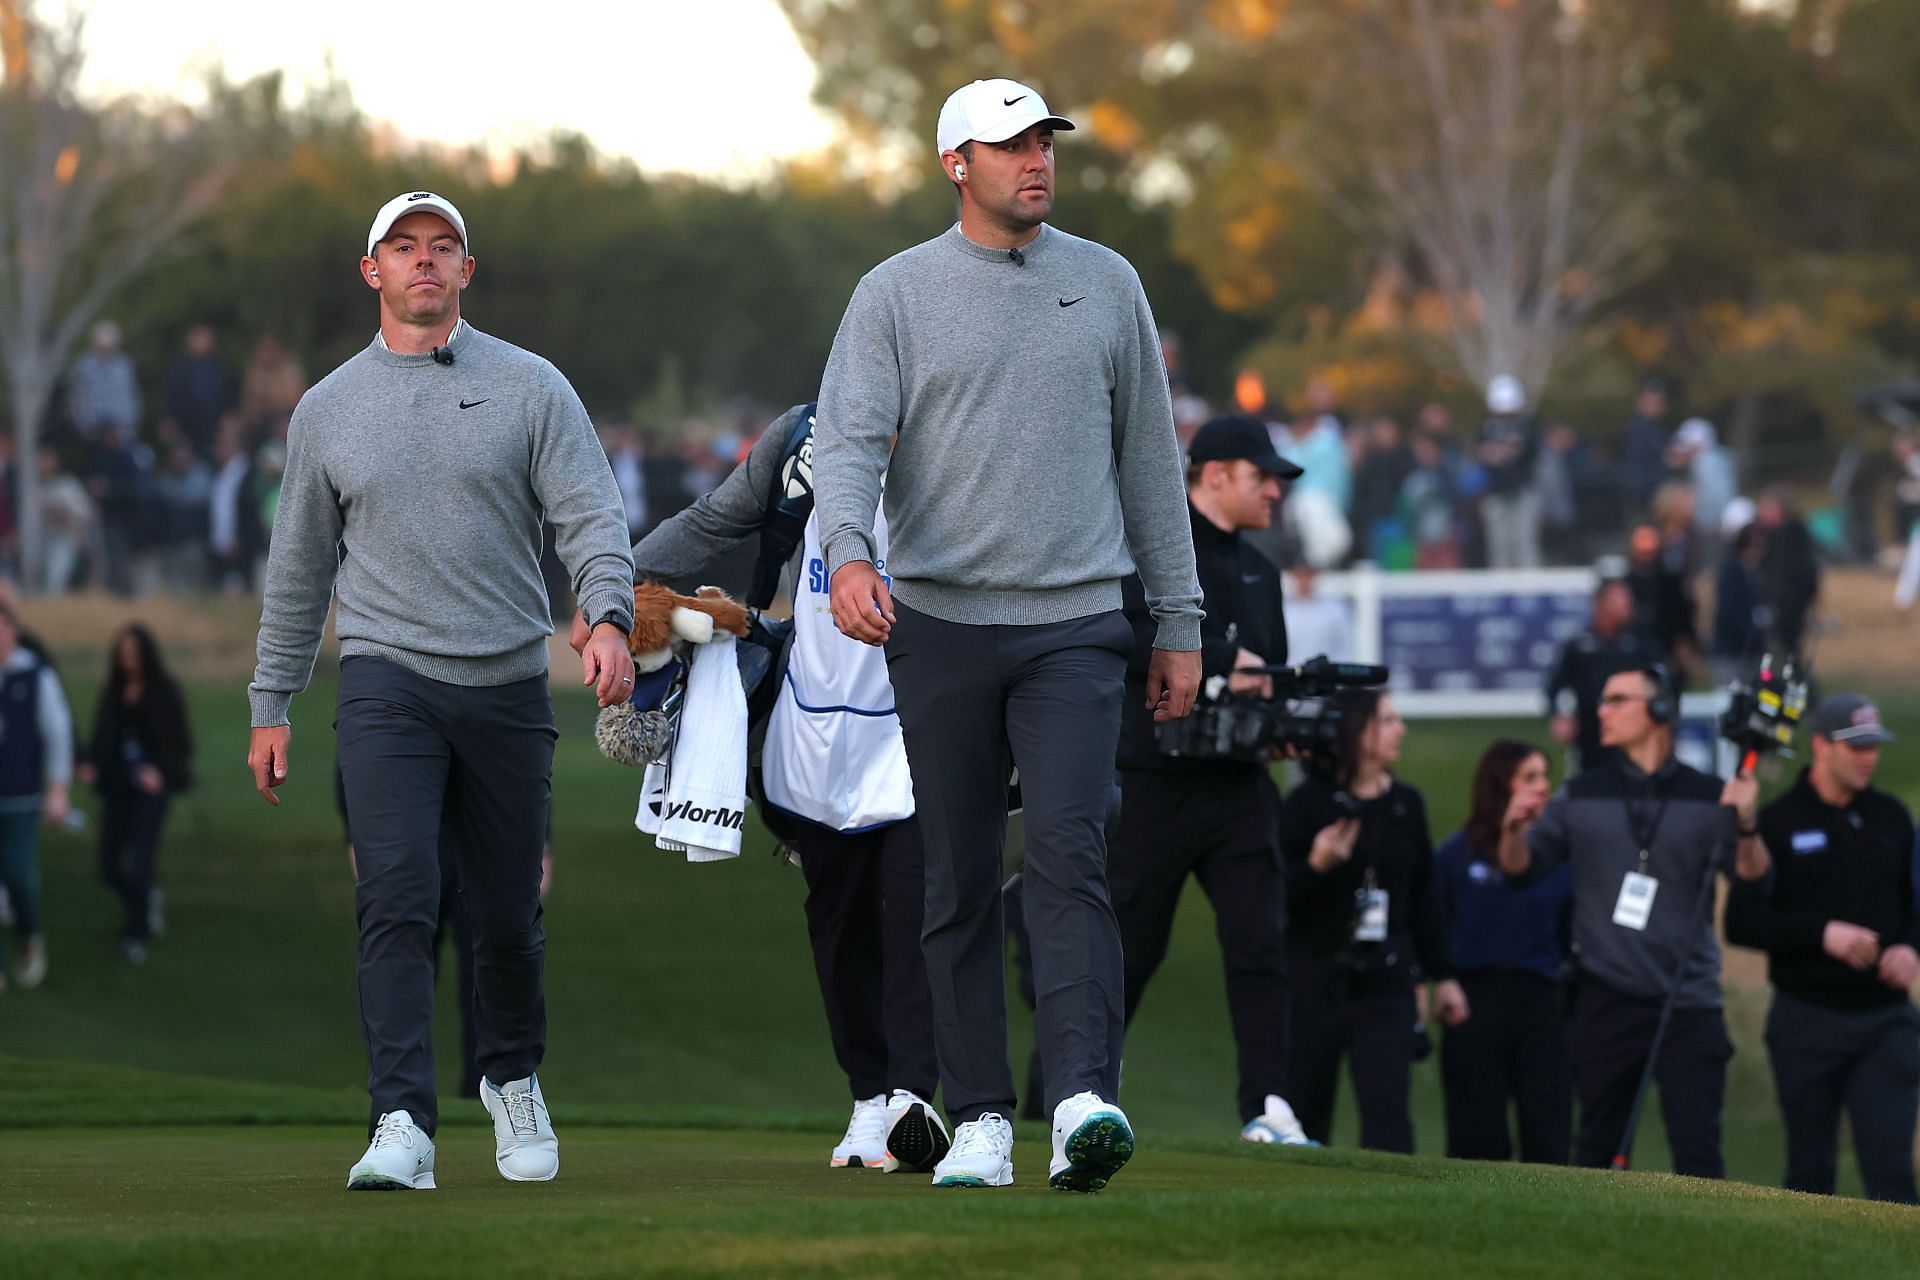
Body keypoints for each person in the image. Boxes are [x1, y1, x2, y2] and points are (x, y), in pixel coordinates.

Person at [813, 78, 1204, 1193]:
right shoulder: (894, 293)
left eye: (1043, 141)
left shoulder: (1108, 282)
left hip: (1079, 622)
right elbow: (846, 442)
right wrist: (846, 550)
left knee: (1074, 854)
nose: (1035, 159)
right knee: (958, 872)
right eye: (1009, 143)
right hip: (937, 622)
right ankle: (980, 1114)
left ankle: (1082, 1095)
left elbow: (1150, 465)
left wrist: (1176, 619)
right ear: (956, 164)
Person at [246, 190, 637, 1191]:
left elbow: (592, 518)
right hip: (386, 682)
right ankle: (401, 1121)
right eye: (404, 248)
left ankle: (511, 1079)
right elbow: (298, 569)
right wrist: (271, 699)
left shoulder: (531, 386)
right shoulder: (329, 407)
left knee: (505, 911)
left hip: (507, 681)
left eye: (442, 248)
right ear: (371, 270)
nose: (424, 263)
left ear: (467, 270)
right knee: (399, 894)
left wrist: (605, 616)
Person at [581, 403, 949, 1176]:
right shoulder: (799, 439)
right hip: (813, 729)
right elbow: (714, 520)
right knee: (839, 921)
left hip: (921, 723)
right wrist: (608, 598)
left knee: (917, 911)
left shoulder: (955, 433)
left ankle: (917, 1095)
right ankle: (868, 1099)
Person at [1110, 414, 1314, 1147]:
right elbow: (1126, 635)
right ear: (1217, 473)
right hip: (1154, 777)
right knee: (1127, 950)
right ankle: (1068, 1096)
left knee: (1260, 946)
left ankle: (1269, 1107)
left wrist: (1282, 721)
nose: (1275, 495)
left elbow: (1274, 669)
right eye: (1264, 479)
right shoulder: (1154, 543)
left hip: (1238, 785)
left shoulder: (1261, 568)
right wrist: (1227, 661)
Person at [1499, 665, 1769, 1177]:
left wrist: (1748, 822)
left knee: (1699, 1157)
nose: (1600, 710)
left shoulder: (1712, 795)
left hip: (1688, 1004)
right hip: (1606, 998)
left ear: (1661, 710)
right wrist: (1511, 831)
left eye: (1616, 699)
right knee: (1595, 1153)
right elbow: (1521, 871)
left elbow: (1754, 880)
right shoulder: (1580, 794)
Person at [1725, 696, 1920, 1204]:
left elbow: (1914, 904)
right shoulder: (1778, 822)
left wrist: (1910, 950)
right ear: (1819, 746)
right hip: (1806, 1021)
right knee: (1811, 1171)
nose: (1868, 757)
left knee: (1892, 1171)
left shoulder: (1892, 817)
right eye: (1855, 746)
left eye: (1873, 746)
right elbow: (1743, 922)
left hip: (1886, 1021)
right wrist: (1823, 934)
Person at [1278, 691, 1457, 1152]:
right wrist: (1316, 865)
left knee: (1387, 1108)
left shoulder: (1406, 804)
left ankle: (1391, 1204)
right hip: (1315, 976)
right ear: (1356, 731)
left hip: (1386, 978)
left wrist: (1440, 976)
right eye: (1388, 720)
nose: (1401, 729)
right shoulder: (1305, 804)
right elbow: (1274, 899)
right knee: (1304, 1108)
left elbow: (1424, 896)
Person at [1435, 741, 1572, 1164]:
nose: (1542, 787)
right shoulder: (1456, 855)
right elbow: (1435, 926)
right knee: (1477, 1140)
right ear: (1500, 784)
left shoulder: (1558, 858)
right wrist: (1442, 980)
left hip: (1543, 1000)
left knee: (1547, 1137)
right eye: (1529, 777)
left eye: (1545, 777)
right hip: (1474, 1004)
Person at [78, 625, 192, 964]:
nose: (129, 660)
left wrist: (160, 772)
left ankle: (136, 930)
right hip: (118, 788)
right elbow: (102, 740)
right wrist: (91, 764)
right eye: (123, 653)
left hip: (150, 793)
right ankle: (142, 902)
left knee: (141, 864)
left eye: (134, 653)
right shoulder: (113, 693)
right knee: (109, 866)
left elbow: (177, 743)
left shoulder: (163, 691)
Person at [0, 603, 71, 992]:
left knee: (17, 875)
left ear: (14, 630)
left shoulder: (34, 675)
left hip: (22, 795)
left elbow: (57, 732)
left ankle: (29, 939)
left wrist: (57, 788)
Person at [1545, 574, 1664, 774]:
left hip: (1633, 741)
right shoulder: (1580, 646)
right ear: (1600, 603)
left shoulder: (1640, 645)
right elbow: (1557, 687)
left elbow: (1661, 685)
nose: (1628, 606)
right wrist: (1561, 716)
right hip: (1590, 739)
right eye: (1621, 601)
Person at [1477, 375, 1542, 570]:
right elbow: (1483, 455)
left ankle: (1529, 591)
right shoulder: (1487, 428)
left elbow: (1530, 453)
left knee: (1525, 544)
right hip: (1497, 493)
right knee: (1499, 548)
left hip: (1522, 491)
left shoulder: (1527, 426)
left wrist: (1505, 451)